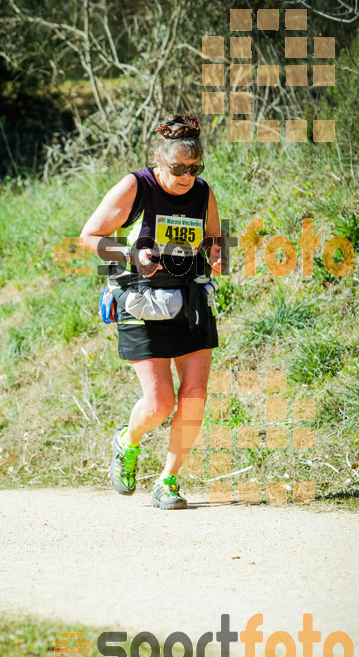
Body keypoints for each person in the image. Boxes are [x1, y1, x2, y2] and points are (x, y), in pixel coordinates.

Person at [80, 115, 226, 509]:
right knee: (160, 403)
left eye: (194, 169)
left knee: (194, 395)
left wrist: (217, 253)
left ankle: (169, 481)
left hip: (190, 300)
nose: (186, 177)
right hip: (141, 300)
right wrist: (130, 254)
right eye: (178, 169)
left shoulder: (202, 192)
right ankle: (127, 442)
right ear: (158, 160)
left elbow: (215, 235)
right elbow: (89, 237)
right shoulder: (136, 186)